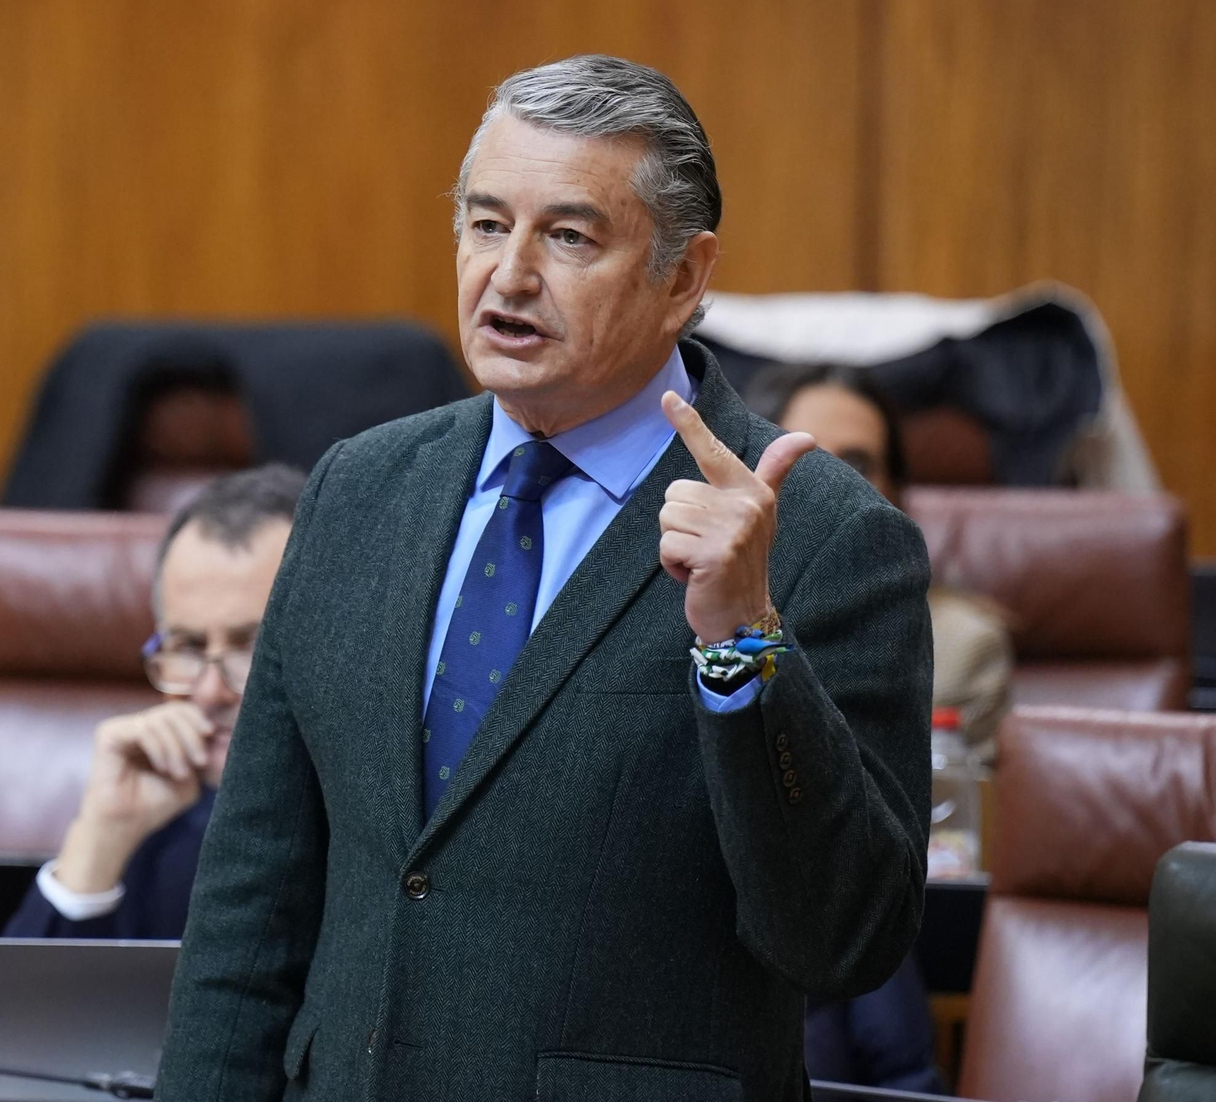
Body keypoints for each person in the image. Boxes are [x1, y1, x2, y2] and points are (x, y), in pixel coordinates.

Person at [153, 55, 932, 1102]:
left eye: (567, 236)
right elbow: (249, 904)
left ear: (684, 278)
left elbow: (845, 939)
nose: (507, 276)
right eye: (484, 224)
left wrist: (742, 639)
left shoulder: (824, 537)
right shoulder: (357, 490)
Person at [0, 463, 305, 1096]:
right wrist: (99, 841)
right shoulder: (160, 825)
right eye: (188, 647)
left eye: (252, 645)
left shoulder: (392, 825)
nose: (210, 690)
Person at [743, 362, 1014, 758]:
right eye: (801, 458)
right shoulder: (696, 624)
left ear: (893, 497)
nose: (829, 486)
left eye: (856, 466)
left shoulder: (957, 649)